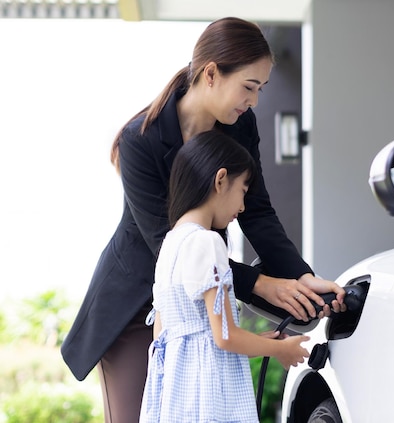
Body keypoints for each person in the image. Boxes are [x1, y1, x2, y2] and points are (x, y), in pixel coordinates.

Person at [61, 16, 344, 423]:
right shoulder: (139, 140)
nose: (255, 102)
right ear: (211, 73)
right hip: (139, 307)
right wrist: (263, 284)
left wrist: (300, 280)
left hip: (204, 305)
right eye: (249, 87)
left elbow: (258, 209)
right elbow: (171, 245)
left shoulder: (239, 125)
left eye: (261, 89)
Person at [139, 130, 310, 422]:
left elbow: (171, 336)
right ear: (220, 180)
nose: (242, 207)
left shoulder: (169, 245)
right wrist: (279, 349)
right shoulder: (207, 242)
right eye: (243, 190)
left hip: (177, 399)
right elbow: (224, 336)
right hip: (210, 399)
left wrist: (254, 340)